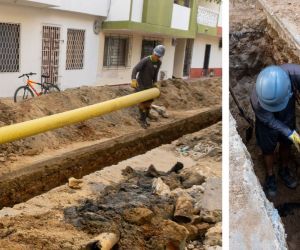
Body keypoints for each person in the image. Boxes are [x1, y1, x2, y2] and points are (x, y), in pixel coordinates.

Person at [251, 64, 300, 197]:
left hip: (287, 114)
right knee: (268, 149)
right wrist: (294, 136)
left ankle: (284, 169)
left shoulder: (296, 74)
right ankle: (270, 175)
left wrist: (290, 136)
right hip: (267, 123)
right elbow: (272, 122)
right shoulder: (257, 100)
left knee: (286, 143)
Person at [131, 44, 165, 128]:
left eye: (158, 56)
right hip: (141, 85)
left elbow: (155, 74)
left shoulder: (159, 63)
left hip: (149, 86)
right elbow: (135, 69)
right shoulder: (145, 60)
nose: (156, 56)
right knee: (142, 104)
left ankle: (145, 119)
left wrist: (155, 83)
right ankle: (142, 121)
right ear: (153, 52)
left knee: (148, 105)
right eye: (156, 54)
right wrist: (133, 80)